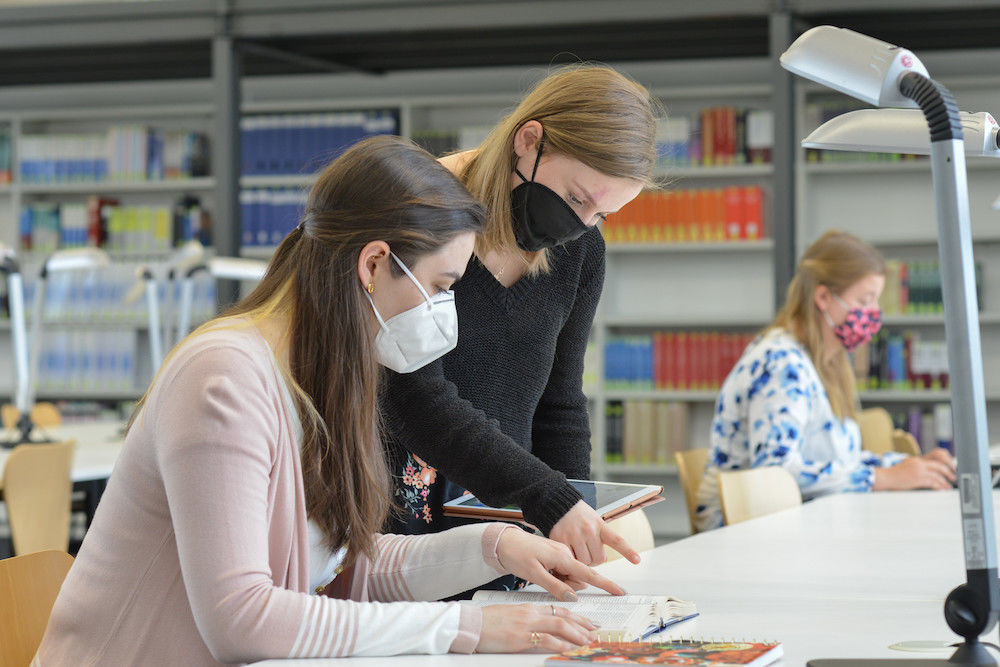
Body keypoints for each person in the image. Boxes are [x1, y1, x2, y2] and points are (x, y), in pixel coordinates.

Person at [34, 136, 624, 665]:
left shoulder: (326, 378)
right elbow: (242, 620)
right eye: (443, 287)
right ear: (373, 264)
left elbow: (346, 569)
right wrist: (462, 627)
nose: (445, 315)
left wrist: (496, 547)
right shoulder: (224, 380)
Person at [383, 65, 656, 572]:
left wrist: (575, 521)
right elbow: (410, 394)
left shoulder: (582, 253)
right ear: (530, 141)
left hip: (509, 529)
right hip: (397, 531)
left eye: (602, 214)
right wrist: (547, 496)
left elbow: (560, 405)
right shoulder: (421, 216)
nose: (579, 226)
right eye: (577, 198)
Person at [693, 230, 956, 532]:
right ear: (823, 297)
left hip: (792, 522)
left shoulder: (824, 362)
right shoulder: (781, 363)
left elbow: (836, 460)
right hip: (742, 530)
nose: (873, 314)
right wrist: (883, 478)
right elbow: (775, 471)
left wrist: (907, 466)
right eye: (864, 300)